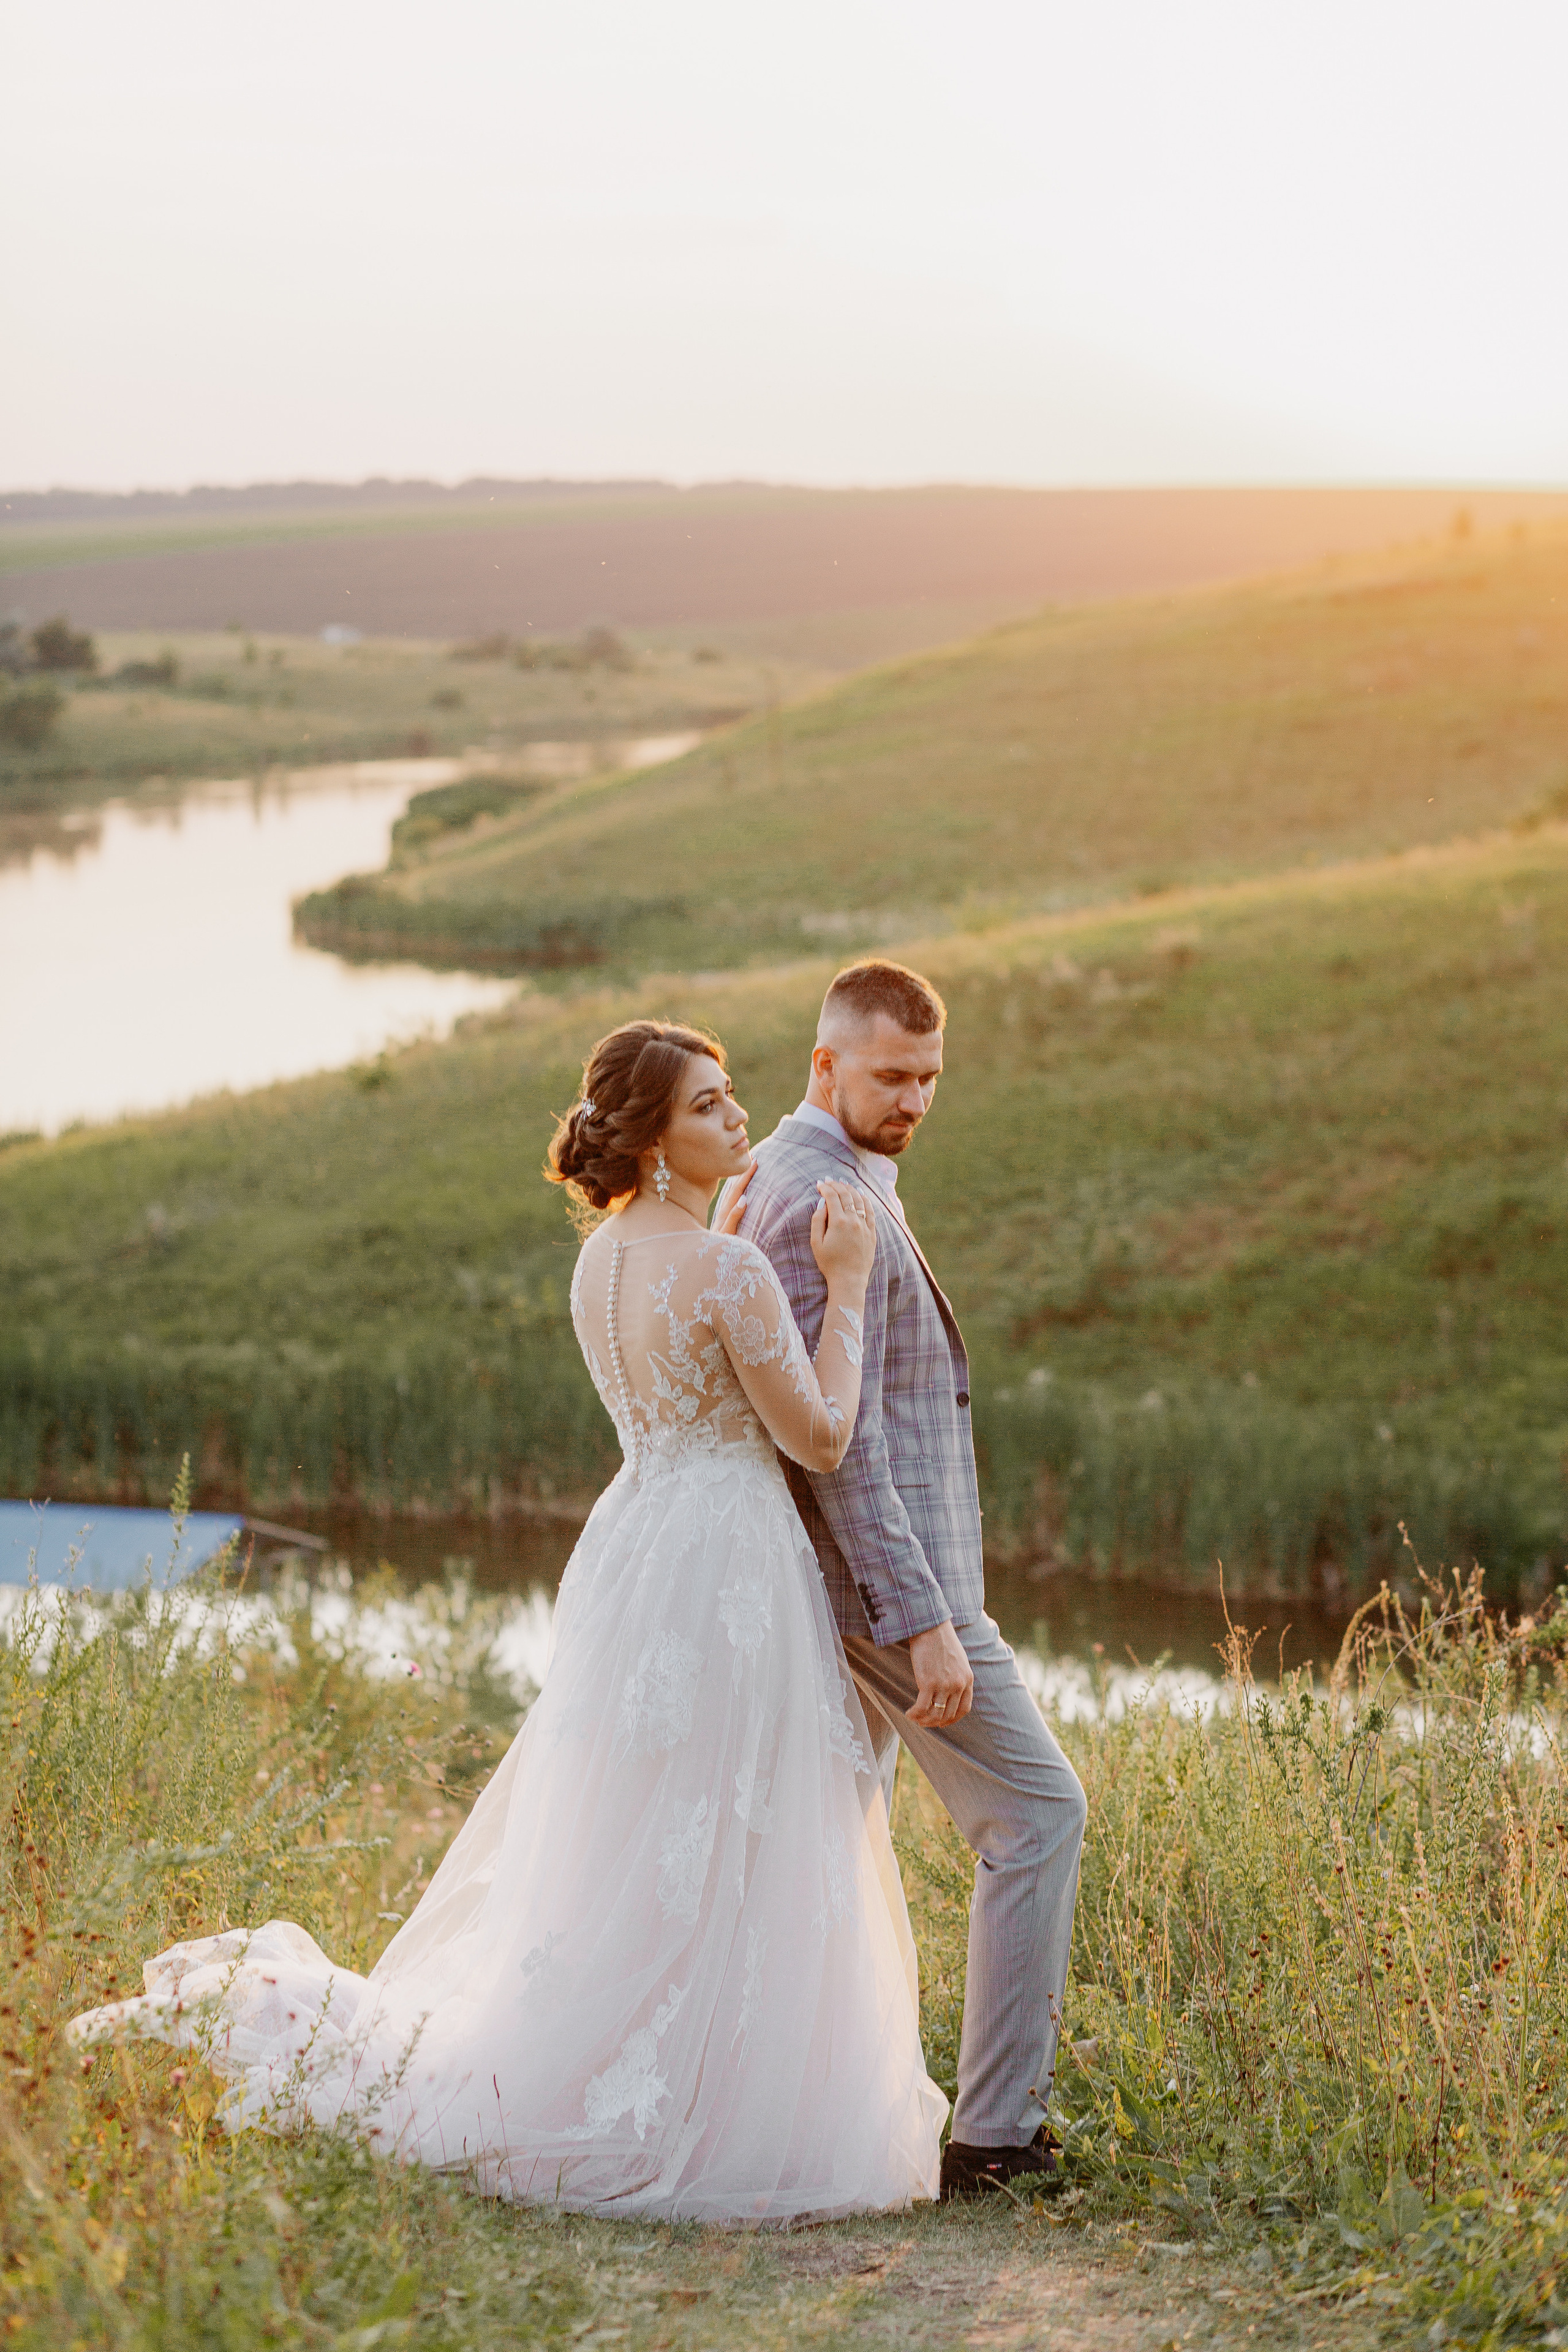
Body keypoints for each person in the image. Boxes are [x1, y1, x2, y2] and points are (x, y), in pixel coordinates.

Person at [70, 1019, 946, 2222]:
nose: (735, 1117)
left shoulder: (601, 1264)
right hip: (729, 1568)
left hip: (638, 1548)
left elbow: (678, 1378)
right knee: (735, 1823)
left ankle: (644, 2063)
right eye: (707, 1105)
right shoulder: (732, 1270)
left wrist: (731, 1241)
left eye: (733, 1095)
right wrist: (840, 1285)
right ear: (649, 1138)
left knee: (634, 1831)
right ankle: (709, 2096)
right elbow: (823, 1436)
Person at [726, 959, 1087, 2200]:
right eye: (891, 1076)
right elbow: (838, 1442)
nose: (915, 1099)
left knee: (828, 1846)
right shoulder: (803, 1194)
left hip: (884, 1586)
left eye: (931, 1078)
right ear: (822, 1065)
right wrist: (924, 1619)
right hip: (883, 1589)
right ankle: (995, 2136)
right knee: (1038, 1815)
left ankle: (812, 2120)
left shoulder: (828, 1172)